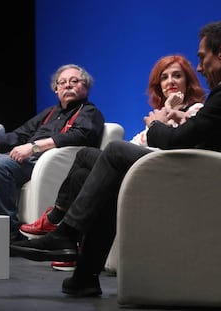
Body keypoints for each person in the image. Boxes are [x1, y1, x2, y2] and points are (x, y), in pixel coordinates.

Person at [10, 20, 221, 296]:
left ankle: (66, 233)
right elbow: (202, 134)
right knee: (97, 171)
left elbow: (177, 140)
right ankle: (83, 274)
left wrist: (157, 124)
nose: (201, 67)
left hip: (210, 180)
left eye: (202, 58)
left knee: (116, 151)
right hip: (206, 171)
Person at [19, 54, 206, 271]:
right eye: (164, 78)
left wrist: (166, 114)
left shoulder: (195, 111)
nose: (170, 81)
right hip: (140, 170)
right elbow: (136, 143)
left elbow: (174, 143)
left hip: (160, 173)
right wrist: (162, 117)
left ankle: (57, 218)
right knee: (81, 175)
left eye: (177, 76)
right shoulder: (157, 116)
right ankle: (75, 256)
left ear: (188, 81)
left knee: (86, 155)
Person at [0, 64, 105, 243]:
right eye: (62, 82)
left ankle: (9, 234)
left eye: (74, 81)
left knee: (0, 165)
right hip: (25, 161)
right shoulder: (50, 112)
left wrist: (33, 147)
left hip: (46, 164)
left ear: (86, 86)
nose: (67, 85)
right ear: (56, 89)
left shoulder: (90, 112)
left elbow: (80, 135)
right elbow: (21, 133)